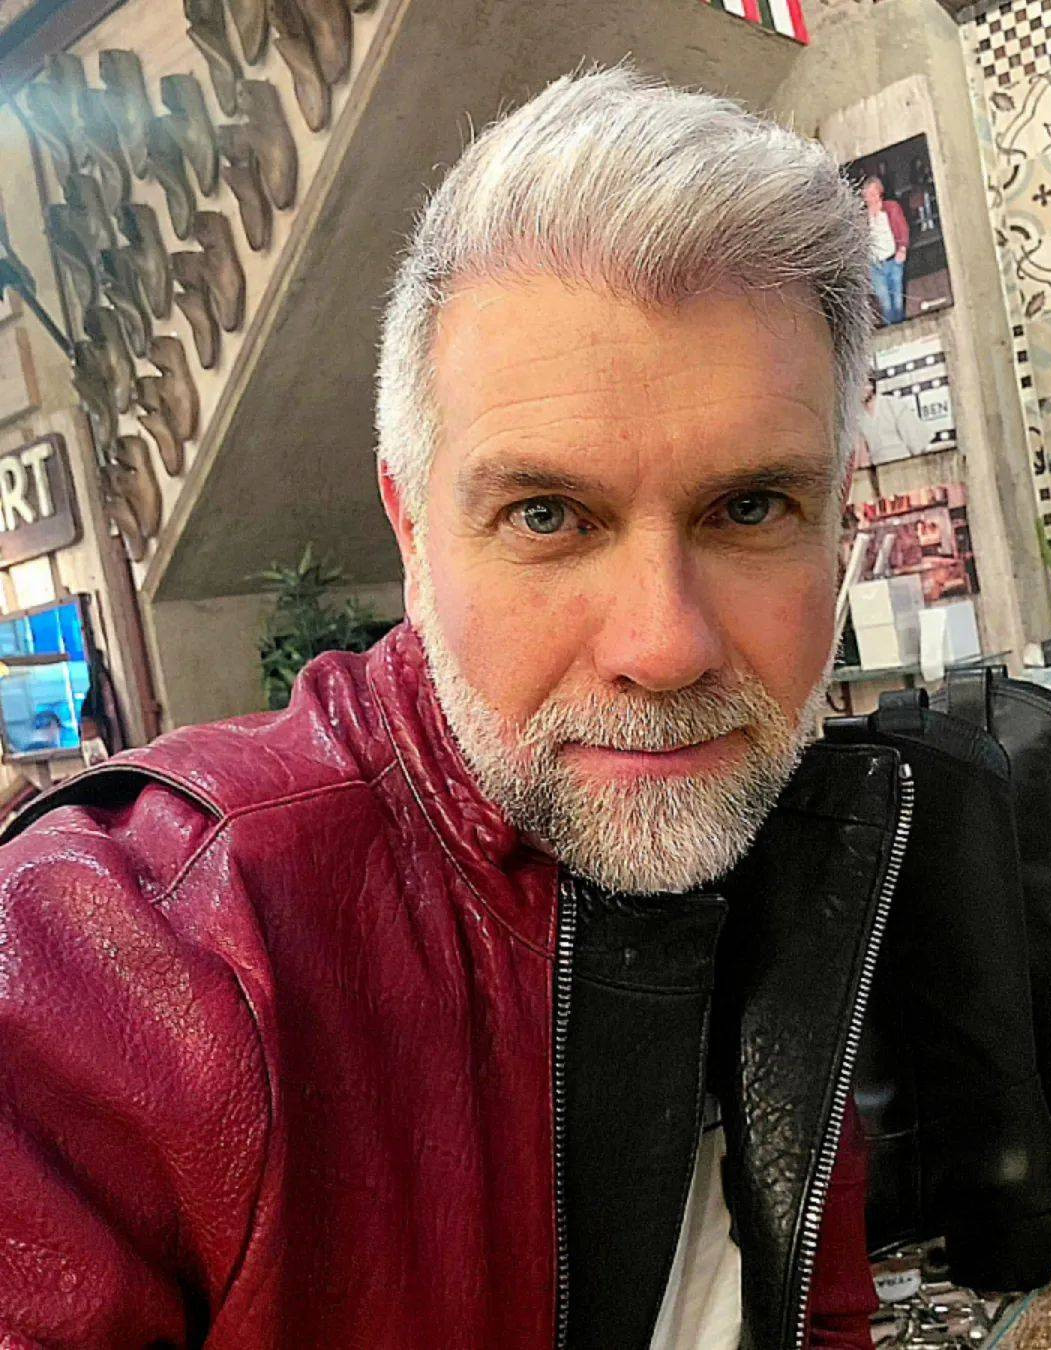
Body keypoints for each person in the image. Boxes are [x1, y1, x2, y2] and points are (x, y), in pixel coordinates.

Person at [0, 68, 883, 1348]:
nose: (665, 647)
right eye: (548, 516)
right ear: (412, 536)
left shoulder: (795, 842)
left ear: (838, 517)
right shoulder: (124, 960)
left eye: (750, 508)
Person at [861, 175, 909, 325]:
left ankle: (902, 328)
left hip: (893, 260)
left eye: (873, 193)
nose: (871, 197)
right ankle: (892, 330)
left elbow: (903, 228)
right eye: (867, 194)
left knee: (898, 301)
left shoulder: (892, 208)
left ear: (880, 192)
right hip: (875, 266)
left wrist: (902, 249)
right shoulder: (862, 218)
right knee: (885, 305)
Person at [858, 370, 933, 465]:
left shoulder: (894, 405)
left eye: (864, 383)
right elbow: (862, 458)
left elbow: (919, 445)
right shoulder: (857, 419)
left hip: (905, 464)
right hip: (878, 469)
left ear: (872, 384)